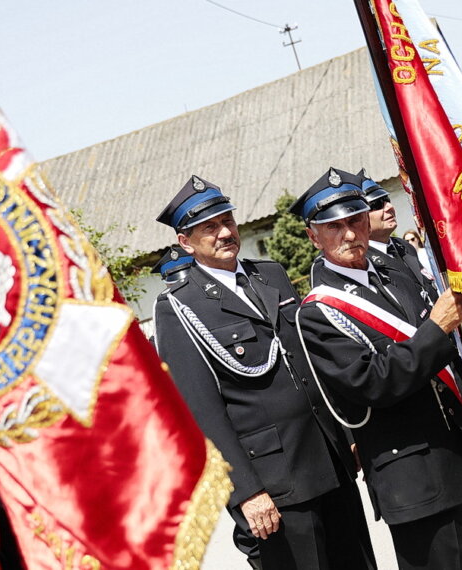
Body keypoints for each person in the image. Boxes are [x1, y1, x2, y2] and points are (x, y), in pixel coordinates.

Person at [291, 168, 462, 570]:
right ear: (314, 237)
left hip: (454, 456)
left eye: (355, 220)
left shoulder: (395, 274)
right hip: (411, 478)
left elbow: (451, 365)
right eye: (334, 227)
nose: (349, 234)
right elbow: (375, 382)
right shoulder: (319, 311)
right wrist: (436, 328)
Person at [153, 175, 375, 570]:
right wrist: (246, 491)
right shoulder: (179, 306)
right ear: (185, 242)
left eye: (228, 221)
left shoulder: (268, 274)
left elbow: (309, 362)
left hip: (329, 457)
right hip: (274, 482)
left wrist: (347, 433)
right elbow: (202, 412)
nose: (225, 233)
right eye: (209, 228)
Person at [357, 169, 434, 294]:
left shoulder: (405, 246)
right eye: (377, 204)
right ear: (360, 218)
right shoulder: (362, 263)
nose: (389, 207)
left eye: (387, 200)